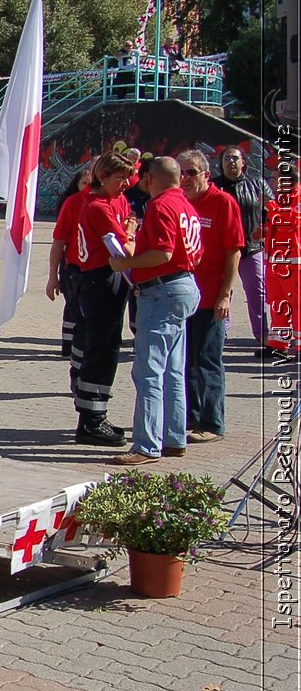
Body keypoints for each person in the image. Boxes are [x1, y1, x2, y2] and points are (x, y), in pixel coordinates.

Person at [107, 158, 203, 466]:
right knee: (173, 370)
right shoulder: (185, 205)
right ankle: (173, 438)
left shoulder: (162, 206)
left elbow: (163, 252)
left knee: (149, 370)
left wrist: (126, 263)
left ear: (149, 178)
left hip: (162, 291)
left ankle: (147, 444)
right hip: (182, 285)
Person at [70, 149, 139, 447]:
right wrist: (132, 232)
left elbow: (127, 218)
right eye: (119, 178)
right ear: (103, 177)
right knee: (100, 349)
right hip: (100, 278)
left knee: (109, 347)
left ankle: (98, 412)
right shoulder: (97, 206)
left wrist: (128, 227)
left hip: (109, 278)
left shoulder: (112, 200)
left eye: (127, 177)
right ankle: (90, 420)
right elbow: (125, 248)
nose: (125, 184)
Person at [177, 149, 243, 444]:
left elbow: (234, 250)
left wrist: (225, 296)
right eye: (181, 173)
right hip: (183, 298)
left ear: (205, 174)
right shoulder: (179, 202)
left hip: (210, 298)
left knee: (207, 360)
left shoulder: (222, 203)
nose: (185, 178)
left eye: (191, 172)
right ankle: (191, 416)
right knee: (186, 361)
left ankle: (212, 422)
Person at [210, 146, 277, 355]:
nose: (231, 162)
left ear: (243, 162)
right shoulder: (214, 187)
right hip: (222, 249)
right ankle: (221, 333)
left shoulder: (257, 184)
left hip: (251, 247)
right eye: (227, 158)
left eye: (235, 158)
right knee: (223, 292)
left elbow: (274, 209)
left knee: (257, 291)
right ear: (221, 163)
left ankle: (262, 335)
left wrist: (264, 227)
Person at [46, 160, 94, 360]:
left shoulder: (117, 201)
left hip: (99, 270)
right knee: (74, 308)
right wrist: (53, 275)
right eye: (84, 182)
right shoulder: (72, 203)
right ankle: (69, 347)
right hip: (73, 267)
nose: (88, 187)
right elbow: (58, 241)